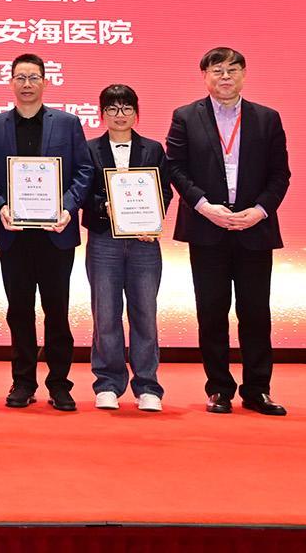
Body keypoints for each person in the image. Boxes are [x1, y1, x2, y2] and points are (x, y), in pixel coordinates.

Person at [166, 47, 291, 416]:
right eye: (217, 70)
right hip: (208, 228)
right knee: (212, 312)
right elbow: (175, 169)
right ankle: (219, 389)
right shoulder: (186, 116)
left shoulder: (267, 118)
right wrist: (205, 207)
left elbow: (280, 174)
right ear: (205, 76)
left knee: (256, 313)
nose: (225, 77)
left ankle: (257, 390)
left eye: (232, 70)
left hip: (254, 229)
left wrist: (259, 211)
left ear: (244, 74)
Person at [0, 53, 93, 412]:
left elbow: (84, 171)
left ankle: (59, 384)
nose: (27, 84)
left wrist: (67, 208)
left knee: (57, 311)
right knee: (19, 311)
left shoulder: (67, 123)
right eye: (20, 77)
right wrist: (2, 206)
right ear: (10, 82)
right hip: (13, 233)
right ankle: (23, 382)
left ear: (46, 82)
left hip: (56, 232)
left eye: (33, 77)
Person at [85, 84, 172, 412]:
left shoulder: (153, 149)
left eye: (126, 108)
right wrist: (104, 206)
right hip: (104, 240)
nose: (119, 115)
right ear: (102, 114)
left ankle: (147, 385)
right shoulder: (89, 149)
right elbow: (82, 191)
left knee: (145, 313)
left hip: (143, 242)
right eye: (112, 109)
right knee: (105, 313)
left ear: (136, 113)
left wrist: (153, 220)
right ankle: (108, 383)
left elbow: (164, 192)